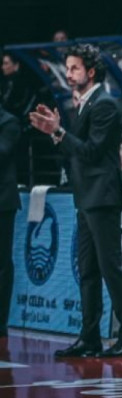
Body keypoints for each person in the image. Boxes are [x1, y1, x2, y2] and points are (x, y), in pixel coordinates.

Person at [29, 44, 122, 358]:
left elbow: (91, 152)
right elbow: (77, 151)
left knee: (111, 269)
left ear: (91, 72)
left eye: (74, 68)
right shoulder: (84, 104)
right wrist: (57, 134)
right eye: (67, 68)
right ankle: (89, 337)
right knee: (88, 270)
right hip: (87, 197)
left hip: (102, 197)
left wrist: (60, 132)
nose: (68, 74)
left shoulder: (104, 105)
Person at [0, 104, 20, 338]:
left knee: (2, 263)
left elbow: (3, 152)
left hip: (2, 203)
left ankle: (0, 321)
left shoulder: (9, 122)